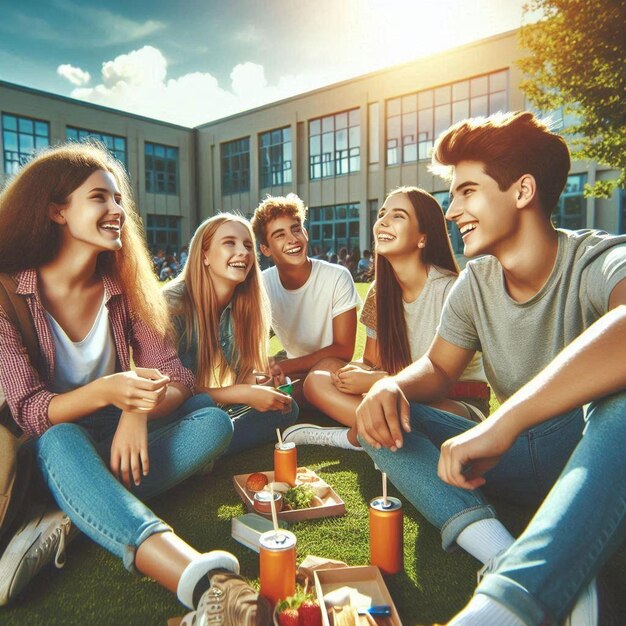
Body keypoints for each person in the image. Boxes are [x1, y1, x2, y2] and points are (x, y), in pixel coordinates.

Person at [355, 111, 626, 626]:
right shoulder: (475, 281)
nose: (452, 209)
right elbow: (436, 368)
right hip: (517, 461)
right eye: (452, 194)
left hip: (596, 458)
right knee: (381, 422)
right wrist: (390, 385)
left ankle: (508, 603)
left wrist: (505, 421)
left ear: (522, 191)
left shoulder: (596, 258)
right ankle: (500, 551)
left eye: (467, 191)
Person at [0, 143, 271, 624]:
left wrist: (135, 409)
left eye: (119, 199)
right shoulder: (8, 292)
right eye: (99, 198)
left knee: (213, 424)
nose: (117, 210)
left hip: (117, 430)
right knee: (62, 436)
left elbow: (178, 376)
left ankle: (76, 512)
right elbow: (30, 410)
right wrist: (110, 390)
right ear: (56, 210)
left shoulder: (123, 287)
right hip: (52, 442)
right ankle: (203, 582)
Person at [284, 188, 488, 450]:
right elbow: (371, 361)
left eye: (398, 216)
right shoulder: (380, 292)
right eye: (382, 214)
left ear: (423, 238)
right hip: (395, 395)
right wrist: (356, 372)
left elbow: (438, 378)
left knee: (399, 408)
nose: (382, 221)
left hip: (456, 407)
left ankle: (350, 437)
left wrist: (379, 381)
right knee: (319, 377)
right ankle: (378, 432)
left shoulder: (451, 290)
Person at [164, 213, 298, 456]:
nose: (244, 252)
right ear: (204, 255)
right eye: (229, 243)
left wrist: (262, 384)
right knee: (203, 407)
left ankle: (207, 450)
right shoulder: (172, 305)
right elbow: (170, 395)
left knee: (286, 407)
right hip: (171, 415)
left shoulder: (246, 305)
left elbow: (244, 375)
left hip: (211, 414)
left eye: (248, 245)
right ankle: (203, 446)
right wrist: (242, 394)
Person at [251, 194, 360, 387]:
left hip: (330, 370)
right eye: (280, 235)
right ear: (266, 249)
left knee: (297, 390)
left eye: (296, 230)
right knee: (263, 393)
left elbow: (343, 350)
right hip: (294, 371)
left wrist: (284, 366)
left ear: (306, 233)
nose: (293, 239)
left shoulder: (337, 277)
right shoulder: (263, 284)